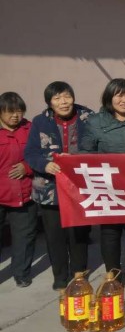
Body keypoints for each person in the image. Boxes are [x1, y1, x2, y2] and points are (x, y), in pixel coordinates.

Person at [24, 81, 93, 290]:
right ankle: (60, 276)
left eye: (67, 96)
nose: (63, 102)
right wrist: (45, 164)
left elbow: (96, 147)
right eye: (57, 98)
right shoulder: (40, 122)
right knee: (55, 236)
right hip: (49, 188)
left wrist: (78, 159)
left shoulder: (88, 117)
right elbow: (31, 153)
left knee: (79, 233)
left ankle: (79, 273)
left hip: (80, 186)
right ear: (49, 103)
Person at [80, 79, 125, 282]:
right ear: (109, 97)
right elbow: (86, 152)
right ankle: (114, 274)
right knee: (110, 231)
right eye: (119, 95)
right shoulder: (95, 122)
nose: (124, 100)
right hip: (109, 185)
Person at [0, 92, 38, 288]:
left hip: (24, 193)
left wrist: (27, 167)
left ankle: (21, 274)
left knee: (24, 236)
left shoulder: (30, 129)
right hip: (1, 192)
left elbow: (41, 154)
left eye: (19, 111)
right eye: (10, 111)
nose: (15, 116)